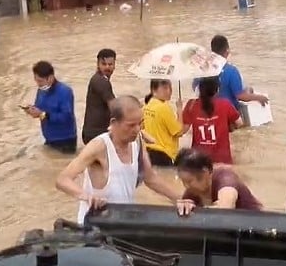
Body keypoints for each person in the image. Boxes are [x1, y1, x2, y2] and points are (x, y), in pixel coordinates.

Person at [56, 95, 194, 223]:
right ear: (114, 123)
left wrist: (181, 199)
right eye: (131, 125)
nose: (136, 129)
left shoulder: (138, 141)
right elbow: (62, 180)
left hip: (122, 221)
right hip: (95, 224)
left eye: (140, 124)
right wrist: (86, 196)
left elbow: (151, 178)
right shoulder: (99, 146)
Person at [193, 35, 268, 110]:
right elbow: (240, 96)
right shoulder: (231, 70)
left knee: (248, 89)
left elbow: (195, 88)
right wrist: (259, 97)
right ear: (227, 51)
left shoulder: (202, 68)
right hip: (228, 113)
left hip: (206, 110)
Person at [174, 148, 262, 210]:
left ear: (205, 172)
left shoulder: (226, 178)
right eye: (183, 181)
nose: (186, 186)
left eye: (189, 181)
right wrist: (184, 207)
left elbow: (226, 207)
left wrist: (199, 210)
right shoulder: (192, 193)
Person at [183, 76, 243, 164]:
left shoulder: (191, 105)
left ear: (199, 88)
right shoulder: (225, 104)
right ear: (217, 89)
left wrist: (178, 111)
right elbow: (239, 123)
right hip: (222, 160)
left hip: (198, 160)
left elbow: (183, 130)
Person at [25, 61, 77, 153]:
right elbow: (39, 108)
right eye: (36, 80)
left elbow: (66, 117)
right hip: (49, 138)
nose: (38, 84)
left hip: (65, 140)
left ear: (51, 78)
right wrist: (32, 110)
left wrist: (43, 114)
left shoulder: (65, 92)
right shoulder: (41, 90)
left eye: (40, 81)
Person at [142, 80, 188, 166]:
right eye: (165, 88)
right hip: (163, 154)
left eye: (170, 88)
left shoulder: (146, 106)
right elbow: (178, 132)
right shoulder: (164, 108)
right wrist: (179, 111)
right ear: (154, 90)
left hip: (148, 152)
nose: (169, 91)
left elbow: (141, 126)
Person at [82, 48, 117, 144]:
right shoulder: (101, 82)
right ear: (98, 65)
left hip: (92, 133)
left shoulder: (98, 79)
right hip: (97, 134)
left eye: (110, 64)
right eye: (103, 64)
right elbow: (114, 107)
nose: (107, 67)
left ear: (114, 65)